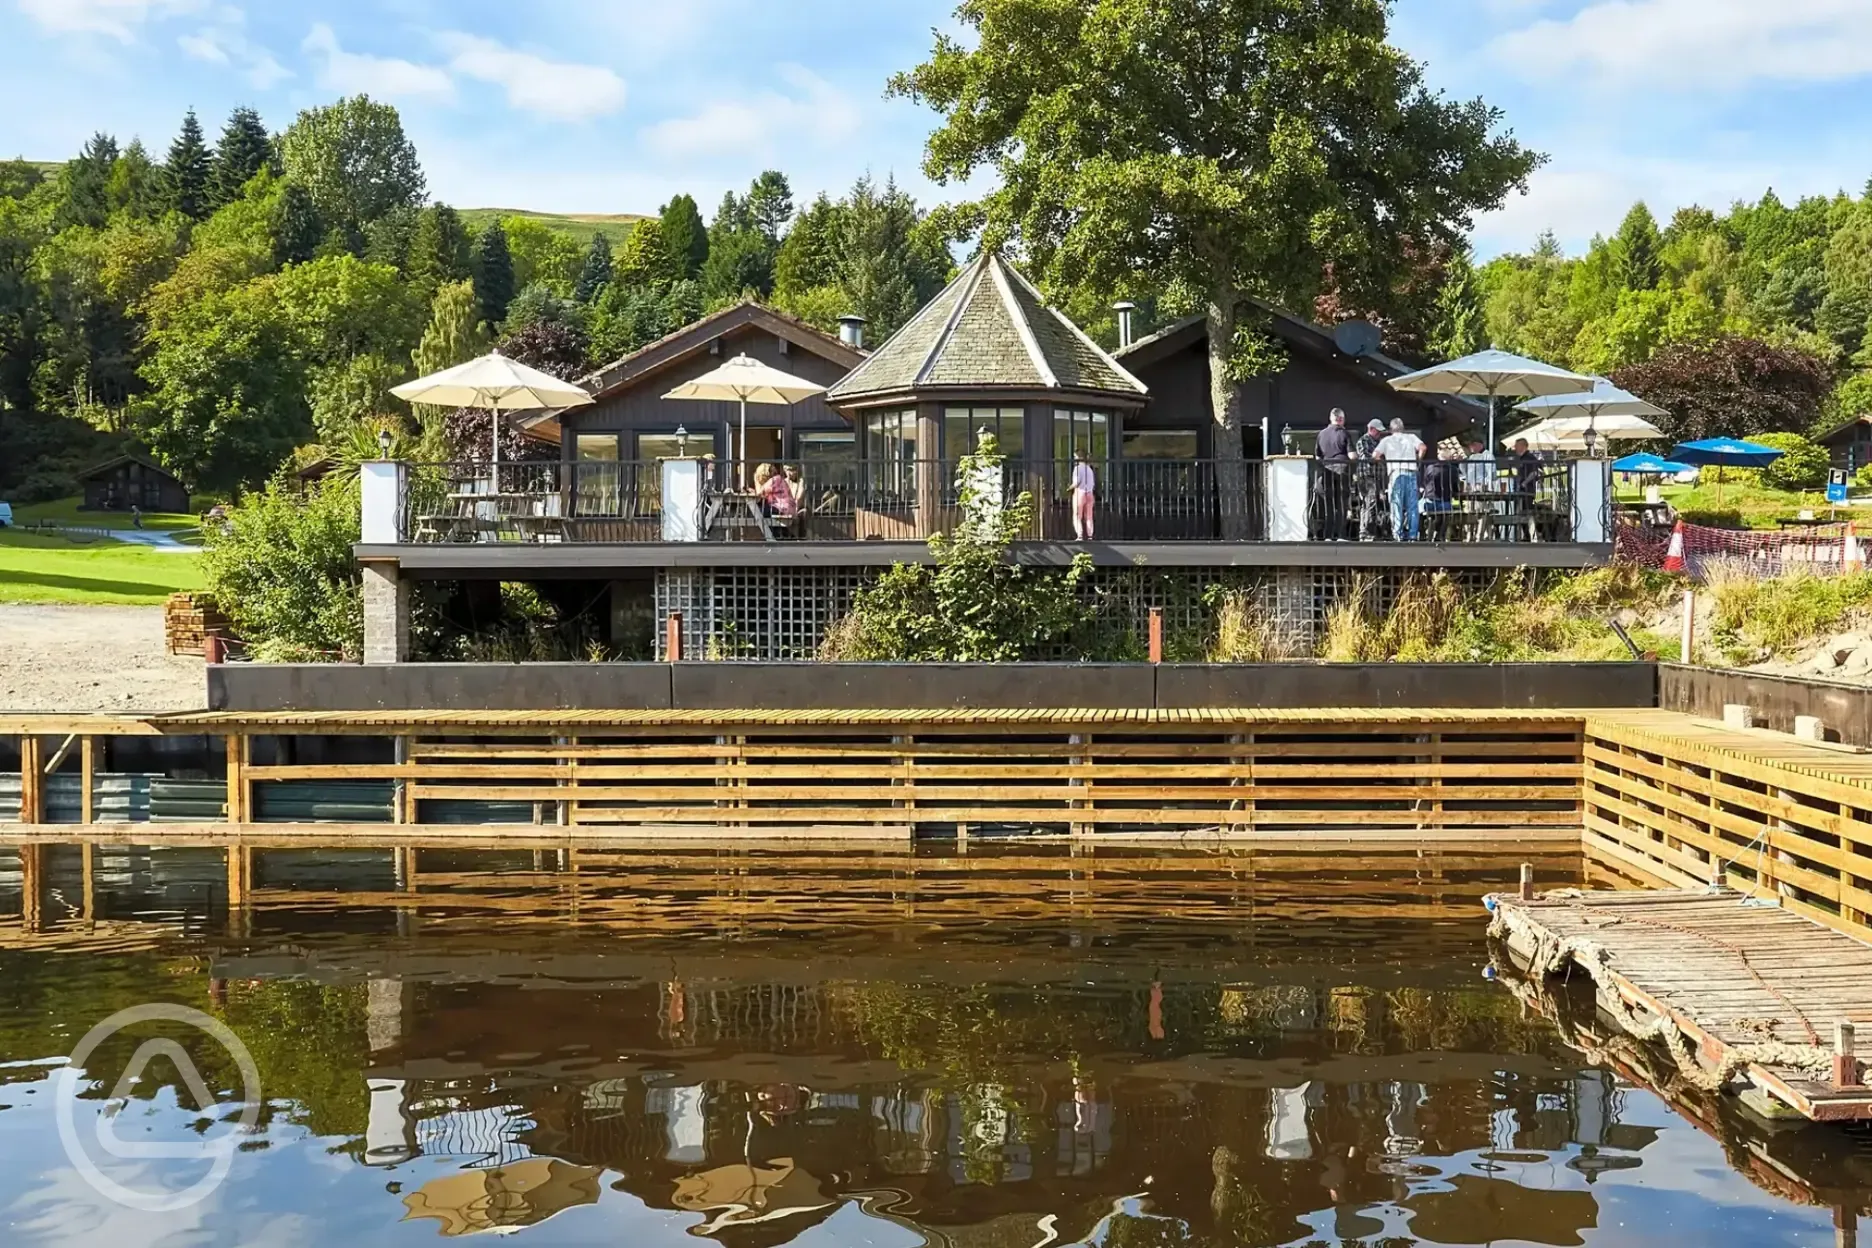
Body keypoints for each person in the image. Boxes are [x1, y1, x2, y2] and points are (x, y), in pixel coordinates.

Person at [1375, 418, 1426, 541]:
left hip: (1395, 473)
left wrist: (1384, 464)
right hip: (1411, 472)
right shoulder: (1411, 437)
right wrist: (1418, 460)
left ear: (1391, 429)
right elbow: (1423, 448)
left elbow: (1375, 455)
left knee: (1396, 505)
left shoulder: (1386, 440)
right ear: (1402, 428)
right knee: (1412, 506)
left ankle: (1398, 534)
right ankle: (1413, 535)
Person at [1313, 408, 1351, 540]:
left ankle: (1328, 535)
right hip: (1342, 469)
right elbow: (1351, 455)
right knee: (1341, 503)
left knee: (1329, 503)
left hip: (1326, 470)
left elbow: (1317, 456)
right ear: (1340, 419)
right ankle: (1340, 535)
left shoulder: (1321, 434)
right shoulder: (1344, 433)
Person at [1353, 419, 1386, 541]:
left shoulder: (1378, 442)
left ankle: (1364, 531)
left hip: (1375, 476)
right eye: (1378, 431)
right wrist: (1378, 457)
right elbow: (1365, 456)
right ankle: (1368, 531)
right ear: (1371, 429)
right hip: (1366, 475)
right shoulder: (1363, 440)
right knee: (1370, 502)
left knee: (1369, 503)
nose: (1379, 434)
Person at [1422, 444, 1461, 541]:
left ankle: (1425, 534)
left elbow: (1425, 483)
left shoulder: (1430, 468)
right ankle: (1440, 535)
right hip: (1445, 501)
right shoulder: (1453, 470)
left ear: (1439, 456)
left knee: (1422, 511)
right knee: (1447, 514)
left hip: (1430, 501)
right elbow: (1456, 487)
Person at [1069, 447, 1097, 540]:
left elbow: (1077, 482)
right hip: (1089, 493)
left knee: (1077, 515)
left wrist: (1069, 488)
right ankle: (1090, 535)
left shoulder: (1077, 468)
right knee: (1089, 515)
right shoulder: (1089, 469)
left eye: (1075, 456)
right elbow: (1092, 483)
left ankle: (1080, 535)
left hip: (1080, 493)